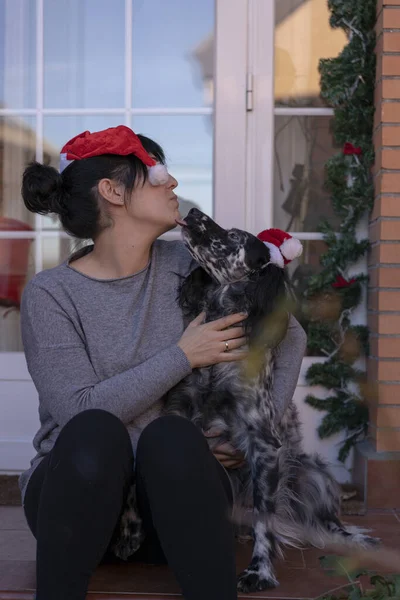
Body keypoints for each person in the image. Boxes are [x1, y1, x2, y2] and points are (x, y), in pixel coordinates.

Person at [19, 125, 307, 600]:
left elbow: (288, 333)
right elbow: (78, 411)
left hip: (171, 506)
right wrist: (182, 356)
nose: (172, 183)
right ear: (112, 192)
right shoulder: (52, 294)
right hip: (74, 501)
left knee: (172, 438)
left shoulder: (188, 263)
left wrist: (256, 429)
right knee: (94, 432)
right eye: (157, 173)